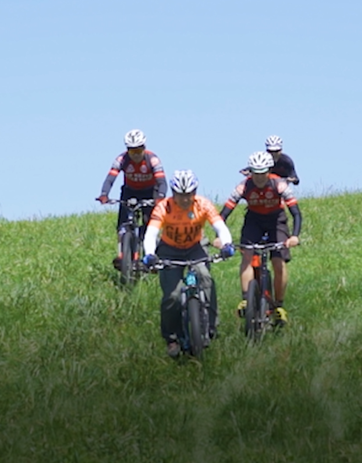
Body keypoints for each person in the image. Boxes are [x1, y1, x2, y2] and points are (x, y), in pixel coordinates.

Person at [142, 170, 235, 358]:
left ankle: (210, 326)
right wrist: (150, 254)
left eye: (189, 194)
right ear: (173, 193)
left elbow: (219, 226)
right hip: (169, 249)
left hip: (196, 247)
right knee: (173, 296)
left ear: (195, 192)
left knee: (206, 279)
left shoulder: (203, 204)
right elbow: (151, 234)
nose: (185, 199)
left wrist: (226, 244)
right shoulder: (163, 208)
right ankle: (172, 338)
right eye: (180, 195)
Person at [221, 151, 302, 326]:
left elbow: (296, 213)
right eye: (255, 173)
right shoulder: (243, 186)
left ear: (269, 171)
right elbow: (224, 214)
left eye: (262, 173)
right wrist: (220, 237)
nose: (259, 178)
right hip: (254, 221)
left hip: (276, 221)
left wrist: (294, 236)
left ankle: (279, 305)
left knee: (278, 261)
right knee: (247, 256)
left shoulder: (279, 184)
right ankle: (245, 299)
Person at [96, 129, 167, 270]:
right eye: (132, 151)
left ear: (144, 148)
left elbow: (162, 183)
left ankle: (150, 256)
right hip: (130, 191)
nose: (135, 155)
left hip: (149, 192)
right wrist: (104, 194)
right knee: (122, 224)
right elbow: (110, 179)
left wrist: (160, 198)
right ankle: (122, 254)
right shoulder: (121, 160)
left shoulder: (153, 160)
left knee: (149, 224)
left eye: (138, 151)